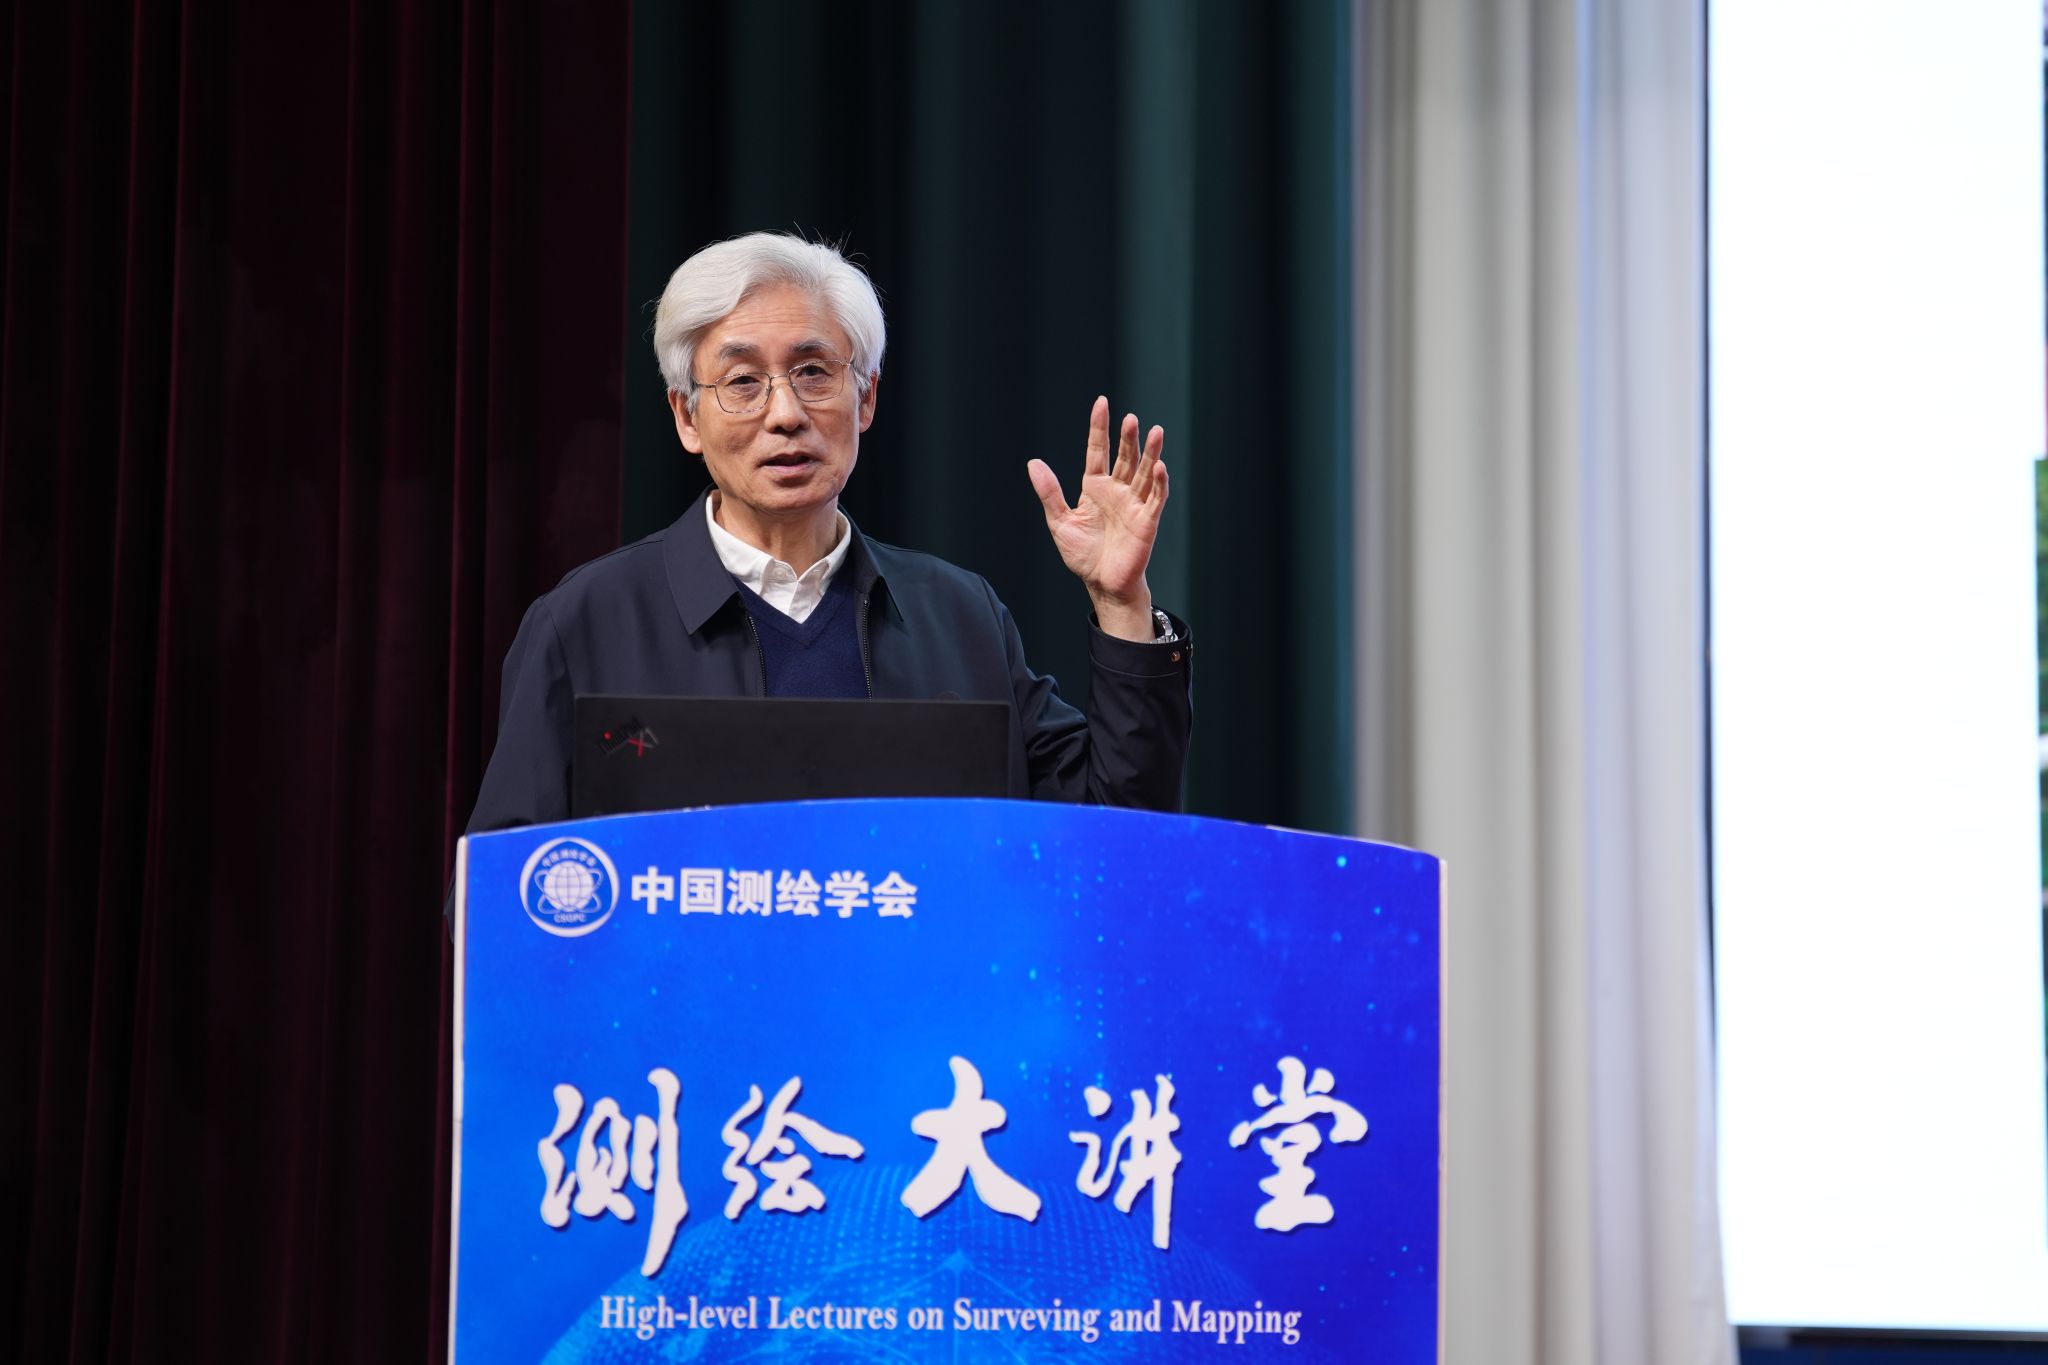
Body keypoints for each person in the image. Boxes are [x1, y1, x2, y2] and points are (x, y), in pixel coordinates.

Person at [461, 232, 1191, 836]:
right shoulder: (587, 623)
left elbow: (1116, 842)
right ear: (687, 417)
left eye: (813, 372)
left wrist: (1120, 602)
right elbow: (503, 901)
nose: (785, 414)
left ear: (864, 397)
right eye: (742, 382)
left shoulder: (961, 616)